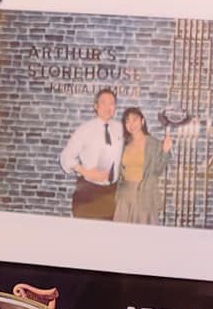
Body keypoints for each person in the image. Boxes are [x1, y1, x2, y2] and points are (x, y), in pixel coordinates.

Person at [59, 88, 124, 220]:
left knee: (107, 231)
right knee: (86, 231)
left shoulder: (120, 128)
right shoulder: (85, 129)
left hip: (111, 192)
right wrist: (86, 172)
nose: (108, 107)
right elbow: (65, 158)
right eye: (103, 102)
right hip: (88, 191)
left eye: (112, 103)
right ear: (95, 106)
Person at [113, 107, 172, 225]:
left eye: (135, 120)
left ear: (143, 121)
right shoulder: (124, 144)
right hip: (125, 196)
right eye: (127, 121)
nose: (131, 124)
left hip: (145, 195)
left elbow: (158, 170)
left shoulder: (154, 143)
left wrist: (165, 151)